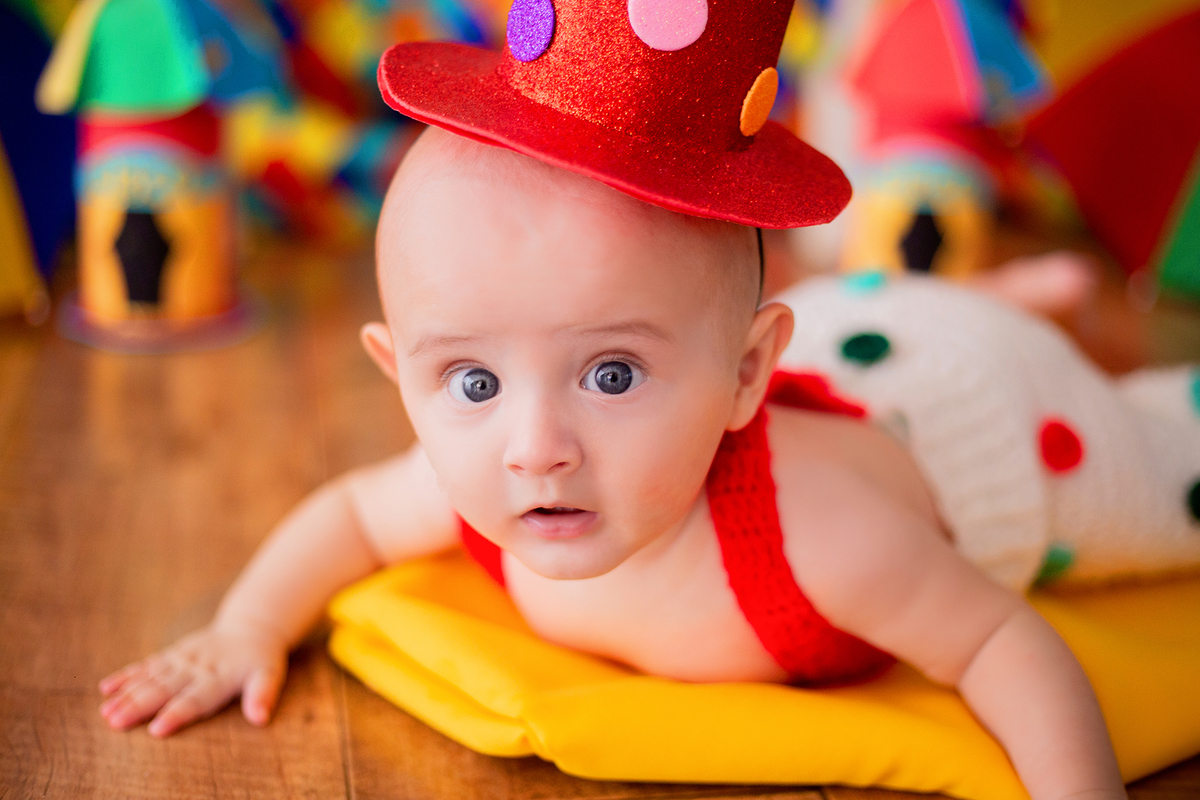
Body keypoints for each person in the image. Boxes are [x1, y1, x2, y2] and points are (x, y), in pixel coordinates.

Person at [99, 2, 1200, 798]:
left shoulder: (830, 540)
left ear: (745, 378)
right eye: (471, 381)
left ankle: (1018, 313)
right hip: (856, 331)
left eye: (612, 374)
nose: (536, 449)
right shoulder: (479, 471)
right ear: (400, 373)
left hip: (985, 418)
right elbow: (347, 514)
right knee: (900, 306)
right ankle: (1010, 289)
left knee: (1158, 459)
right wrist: (247, 623)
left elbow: (1005, 642)